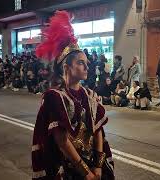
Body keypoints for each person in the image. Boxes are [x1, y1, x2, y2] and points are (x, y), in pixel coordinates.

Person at [32, 11, 114, 180]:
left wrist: (98, 167)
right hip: (68, 168)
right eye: (80, 62)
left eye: (86, 63)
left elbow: (98, 131)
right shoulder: (54, 97)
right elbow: (62, 141)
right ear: (66, 68)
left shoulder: (90, 95)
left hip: (93, 164)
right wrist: (86, 173)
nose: (86, 67)